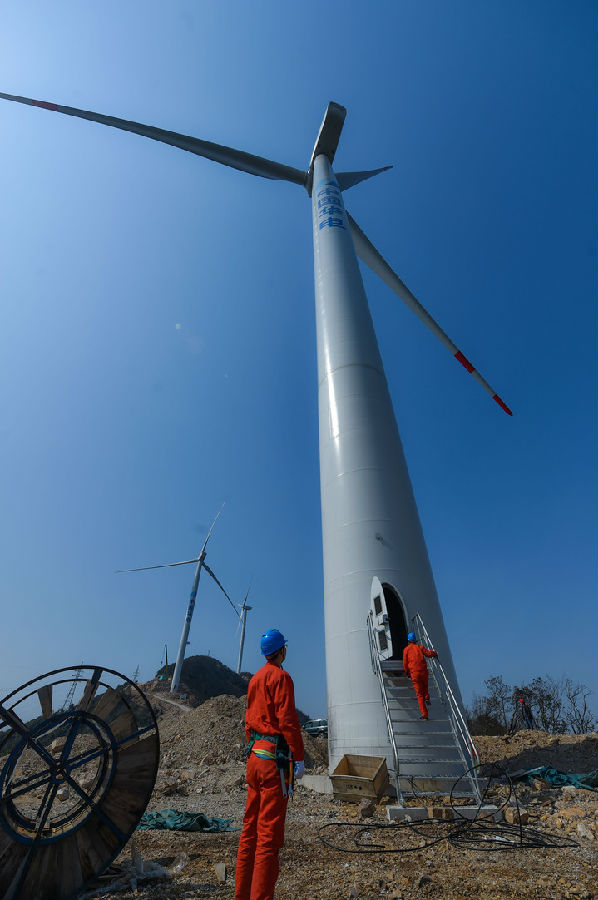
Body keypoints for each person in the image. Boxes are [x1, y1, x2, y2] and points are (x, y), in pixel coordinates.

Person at [234, 629, 305, 900]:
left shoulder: (255, 680)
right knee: (268, 839)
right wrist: (298, 757)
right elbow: (287, 721)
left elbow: (248, 720)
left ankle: (241, 895)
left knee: (249, 831)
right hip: (275, 763)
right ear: (282, 650)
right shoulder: (281, 677)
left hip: (254, 758)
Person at [402, 632, 438, 720]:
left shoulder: (406, 650)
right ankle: (427, 697)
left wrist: (407, 673)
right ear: (415, 640)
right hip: (424, 672)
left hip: (415, 673)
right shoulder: (420, 647)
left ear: (408, 641)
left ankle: (425, 714)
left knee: (419, 694)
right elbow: (428, 654)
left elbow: (405, 663)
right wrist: (435, 653)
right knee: (425, 687)